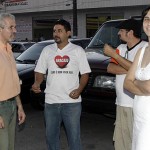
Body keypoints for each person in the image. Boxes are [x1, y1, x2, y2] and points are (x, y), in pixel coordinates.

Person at [32, 19, 91, 150]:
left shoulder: (77, 50)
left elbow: (85, 74)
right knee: (51, 138)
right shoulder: (47, 50)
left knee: (74, 138)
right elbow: (39, 71)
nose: (56, 34)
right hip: (51, 102)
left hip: (72, 103)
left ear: (68, 33)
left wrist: (79, 90)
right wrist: (37, 82)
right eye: (54, 31)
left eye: (59, 31)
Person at [103, 18, 148, 150]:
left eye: (122, 31)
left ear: (130, 32)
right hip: (121, 103)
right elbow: (110, 68)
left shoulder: (144, 48)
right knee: (121, 141)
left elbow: (140, 71)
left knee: (136, 141)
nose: (119, 33)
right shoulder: (120, 48)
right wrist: (132, 70)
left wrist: (116, 57)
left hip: (136, 103)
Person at [124, 6, 150, 150]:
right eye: (146, 19)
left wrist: (135, 81)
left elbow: (149, 87)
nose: (149, 23)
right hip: (139, 121)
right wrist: (143, 85)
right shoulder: (141, 51)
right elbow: (126, 84)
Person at [0, 13, 26, 150]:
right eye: (11, 27)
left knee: (10, 147)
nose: (15, 31)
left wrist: (19, 106)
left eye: (15, 27)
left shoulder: (9, 50)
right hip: (1, 107)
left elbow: (13, 82)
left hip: (11, 105)